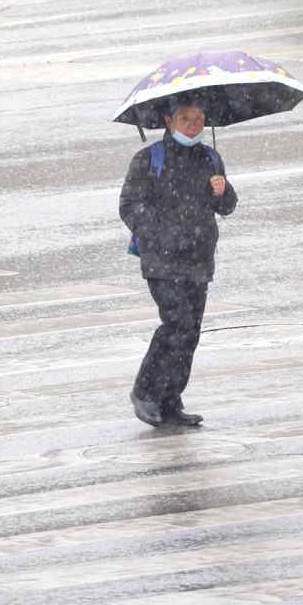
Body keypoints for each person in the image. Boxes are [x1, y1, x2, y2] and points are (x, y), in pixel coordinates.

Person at [119, 93, 237, 426]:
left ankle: (170, 401)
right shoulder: (149, 158)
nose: (194, 124)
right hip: (162, 260)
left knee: (191, 332)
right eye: (186, 118)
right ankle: (145, 392)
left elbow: (226, 207)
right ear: (169, 122)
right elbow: (129, 206)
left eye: (199, 118)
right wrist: (161, 234)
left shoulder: (211, 159)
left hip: (199, 259)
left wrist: (222, 190)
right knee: (177, 324)